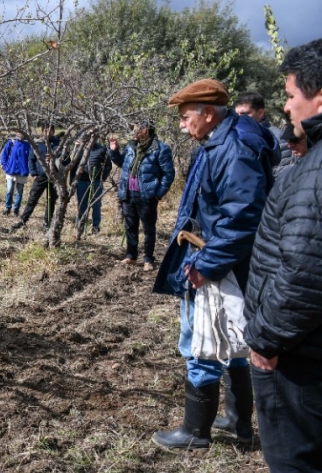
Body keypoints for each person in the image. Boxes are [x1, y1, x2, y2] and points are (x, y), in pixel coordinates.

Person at [152, 78, 275, 449]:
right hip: (224, 257)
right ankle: (237, 422)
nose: (181, 124)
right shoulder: (222, 140)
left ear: (208, 113)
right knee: (230, 337)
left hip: (219, 259)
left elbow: (241, 218)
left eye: (186, 116)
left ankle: (195, 431)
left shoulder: (233, 148)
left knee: (201, 339)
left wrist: (205, 263)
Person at [244, 39, 322, 471]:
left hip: (299, 356)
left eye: (292, 96)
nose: (287, 109)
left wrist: (266, 338)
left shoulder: (315, 173)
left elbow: (305, 270)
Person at [109, 120, 175, 272]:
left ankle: (148, 259)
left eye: (137, 129)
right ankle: (131, 256)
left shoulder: (160, 148)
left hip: (147, 195)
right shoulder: (131, 146)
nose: (134, 132)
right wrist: (114, 151)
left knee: (148, 229)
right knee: (130, 226)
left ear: (146, 130)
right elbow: (122, 163)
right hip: (128, 193)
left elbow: (169, 174)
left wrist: (158, 194)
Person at [11, 126, 59, 232]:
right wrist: (33, 173)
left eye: (50, 130)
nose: (47, 132)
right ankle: (23, 221)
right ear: (42, 132)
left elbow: (66, 160)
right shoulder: (37, 144)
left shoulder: (58, 144)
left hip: (54, 177)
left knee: (50, 201)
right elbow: (31, 159)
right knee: (32, 199)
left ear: (53, 132)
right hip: (40, 176)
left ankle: (47, 223)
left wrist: (54, 158)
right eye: (45, 130)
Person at [234, 91, 290, 167]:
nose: (240, 118)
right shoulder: (234, 136)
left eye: (244, 114)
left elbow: (283, 169)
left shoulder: (277, 137)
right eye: (237, 114)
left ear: (260, 113)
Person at [74, 139, 111, 235]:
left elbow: (108, 165)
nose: (90, 138)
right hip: (82, 181)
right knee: (82, 205)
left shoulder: (101, 149)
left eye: (92, 136)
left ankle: (95, 227)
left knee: (96, 204)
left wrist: (102, 178)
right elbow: (74, 165)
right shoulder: (80, 149)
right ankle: (80, 226)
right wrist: (74, 180)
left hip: (96, 182)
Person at [0, 131, 32, 216]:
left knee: (19, 192)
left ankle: (16, 209)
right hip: (10, 170)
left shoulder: (28, 145)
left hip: (22, 171)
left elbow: (31, 158)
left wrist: (30, 169)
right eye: (19, 132)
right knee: (9, 190)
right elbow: (4, 155)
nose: (20, 134)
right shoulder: (11, 142)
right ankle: (7, 208)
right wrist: (4, 165)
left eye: (22, 132)